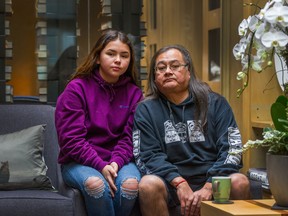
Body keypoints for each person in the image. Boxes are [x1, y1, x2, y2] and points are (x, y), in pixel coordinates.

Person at [132, 44, 250, 216]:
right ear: (155, 76)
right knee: (148, 184)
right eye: (161, 68)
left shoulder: (216, 103)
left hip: (213, 179)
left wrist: (210, 185)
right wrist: (179, 183)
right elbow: (148, 155)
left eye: (175, 66)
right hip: (170, 182)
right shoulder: (145, 109)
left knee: (239, 181)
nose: (167, 71)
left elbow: (232, 149)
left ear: (188, 71)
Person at [55, 30, 143, 216]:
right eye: (111, 54)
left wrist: (115, 164)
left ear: (130, 61)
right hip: (78, 161)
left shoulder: (135, 93)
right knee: (96, 185)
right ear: (97, 58)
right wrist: (100, 166)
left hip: (120, 161)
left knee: (129, 186)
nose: (118, 60)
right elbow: (71, 140)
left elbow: (130, 138)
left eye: (124, 55)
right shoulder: (76, 89)